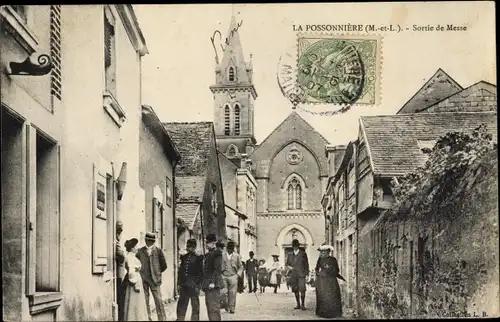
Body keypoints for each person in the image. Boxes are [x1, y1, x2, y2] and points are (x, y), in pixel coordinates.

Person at [136, 232, 167, 321]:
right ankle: (148, 318)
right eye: (148, 240)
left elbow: (164, 265)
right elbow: (136, 263)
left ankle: (162, 319)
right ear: (145, 240)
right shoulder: (140, 251)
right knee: (145, 301)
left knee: (159, 301)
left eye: (151, 241)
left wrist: (157, 272)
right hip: (144, 279)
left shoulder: (158, 251)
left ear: (154, 241)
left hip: (155, 280)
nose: (149, 242)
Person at [176, 239, 204, 321]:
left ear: (194, 247)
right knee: (182, 304)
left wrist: (198, 285)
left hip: (193, 285)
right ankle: (180, 318)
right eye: (188, 246)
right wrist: (179, 283)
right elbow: (181, 271)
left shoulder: (199, 258)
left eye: (191, 247)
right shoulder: (184, 257)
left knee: (195, 305)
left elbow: (201, 274)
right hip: (184, 285)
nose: (188, 248)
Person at [122, 238, 149, 321]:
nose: (137, 248)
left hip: (136, 280)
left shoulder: (132, 256)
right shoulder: (130, 257)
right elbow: (131, 272)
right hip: (134, 283)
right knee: (134, 303)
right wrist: (135, 283)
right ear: (132, 248)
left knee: (136, 304)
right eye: (136, 246)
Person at [315, 244, 343, 318]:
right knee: (322, 296)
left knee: (331, 296)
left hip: (331, 281)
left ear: (328, 252)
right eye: (322, 252)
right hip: (322, 281)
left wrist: (329, 268)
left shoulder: (333, 260)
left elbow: (337, 270)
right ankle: (323, 313)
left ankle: (333, 313)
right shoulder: (320, 259)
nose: (322, 254)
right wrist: (319, 274)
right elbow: (316, 269)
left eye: (324, 252)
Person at [202, 234, 224, 321]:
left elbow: (217, 269)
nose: (206, 244)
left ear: (213, 243)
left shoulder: (217, 254)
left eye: (208, 242)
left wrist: (212, 282)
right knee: (209, 307)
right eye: (206, 242)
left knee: (214, 307)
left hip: (213, 284)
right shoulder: (208, 254)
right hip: (208, 284)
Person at [285, 239, 309, 310]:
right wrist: (289, 267)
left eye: (296, 246)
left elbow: (306, 265)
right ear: (292, 246)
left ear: (298, 246)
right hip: (293, 275)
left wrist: (307, 274)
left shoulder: (303, 254)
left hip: (301, 274)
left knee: (302, 289)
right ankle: (298, 304)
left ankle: (303, 305)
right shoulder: (290, 254)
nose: (295, 247)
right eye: (294, 246)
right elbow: (287, 264)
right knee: (295, 289)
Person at [221, 240, 244, 314]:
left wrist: (237, 275)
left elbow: (241, 267)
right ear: (226, 248)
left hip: (233, 276)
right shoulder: (222, 255)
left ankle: (232, 308)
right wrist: (221, 274)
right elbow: (219, 266)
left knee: (233, 293)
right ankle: (226, 305)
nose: (230, 250)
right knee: (224, 292)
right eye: (228, 249)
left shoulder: (237, 256)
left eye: (231, 249)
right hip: (224, 275)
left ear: (233, 249)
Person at [115, 221, 126, 321]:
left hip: (120, 275)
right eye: (119, 233)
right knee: (120, 298)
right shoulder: (116, 243)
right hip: (118, 275)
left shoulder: (117, 243)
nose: (120, 235)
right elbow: (122, 256)